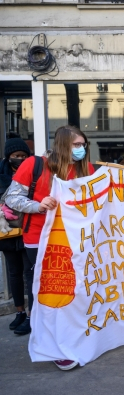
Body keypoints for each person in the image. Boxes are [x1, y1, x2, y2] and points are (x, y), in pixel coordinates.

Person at [5, 125, 95, 370]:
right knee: (47, 291)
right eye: (76, 145)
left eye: (83, 144)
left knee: (73, 289)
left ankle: (70, 337)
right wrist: (39, 204)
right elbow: (11, 198)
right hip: (40, 239)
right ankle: (51, 344)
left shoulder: (85, 168)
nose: (81, 149)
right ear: (62, 145)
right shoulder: (34, 165)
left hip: (76, 240)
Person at [0, 137, 32, 334]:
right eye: (16, 156)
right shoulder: (1, 173)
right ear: (8, 157)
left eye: (23, 155)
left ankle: (30, 315)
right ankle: (19, 311)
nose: (19, 159)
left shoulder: (32, 172)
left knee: (29, 273)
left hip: (28, 229)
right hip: (7, 231)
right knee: (14, 273)